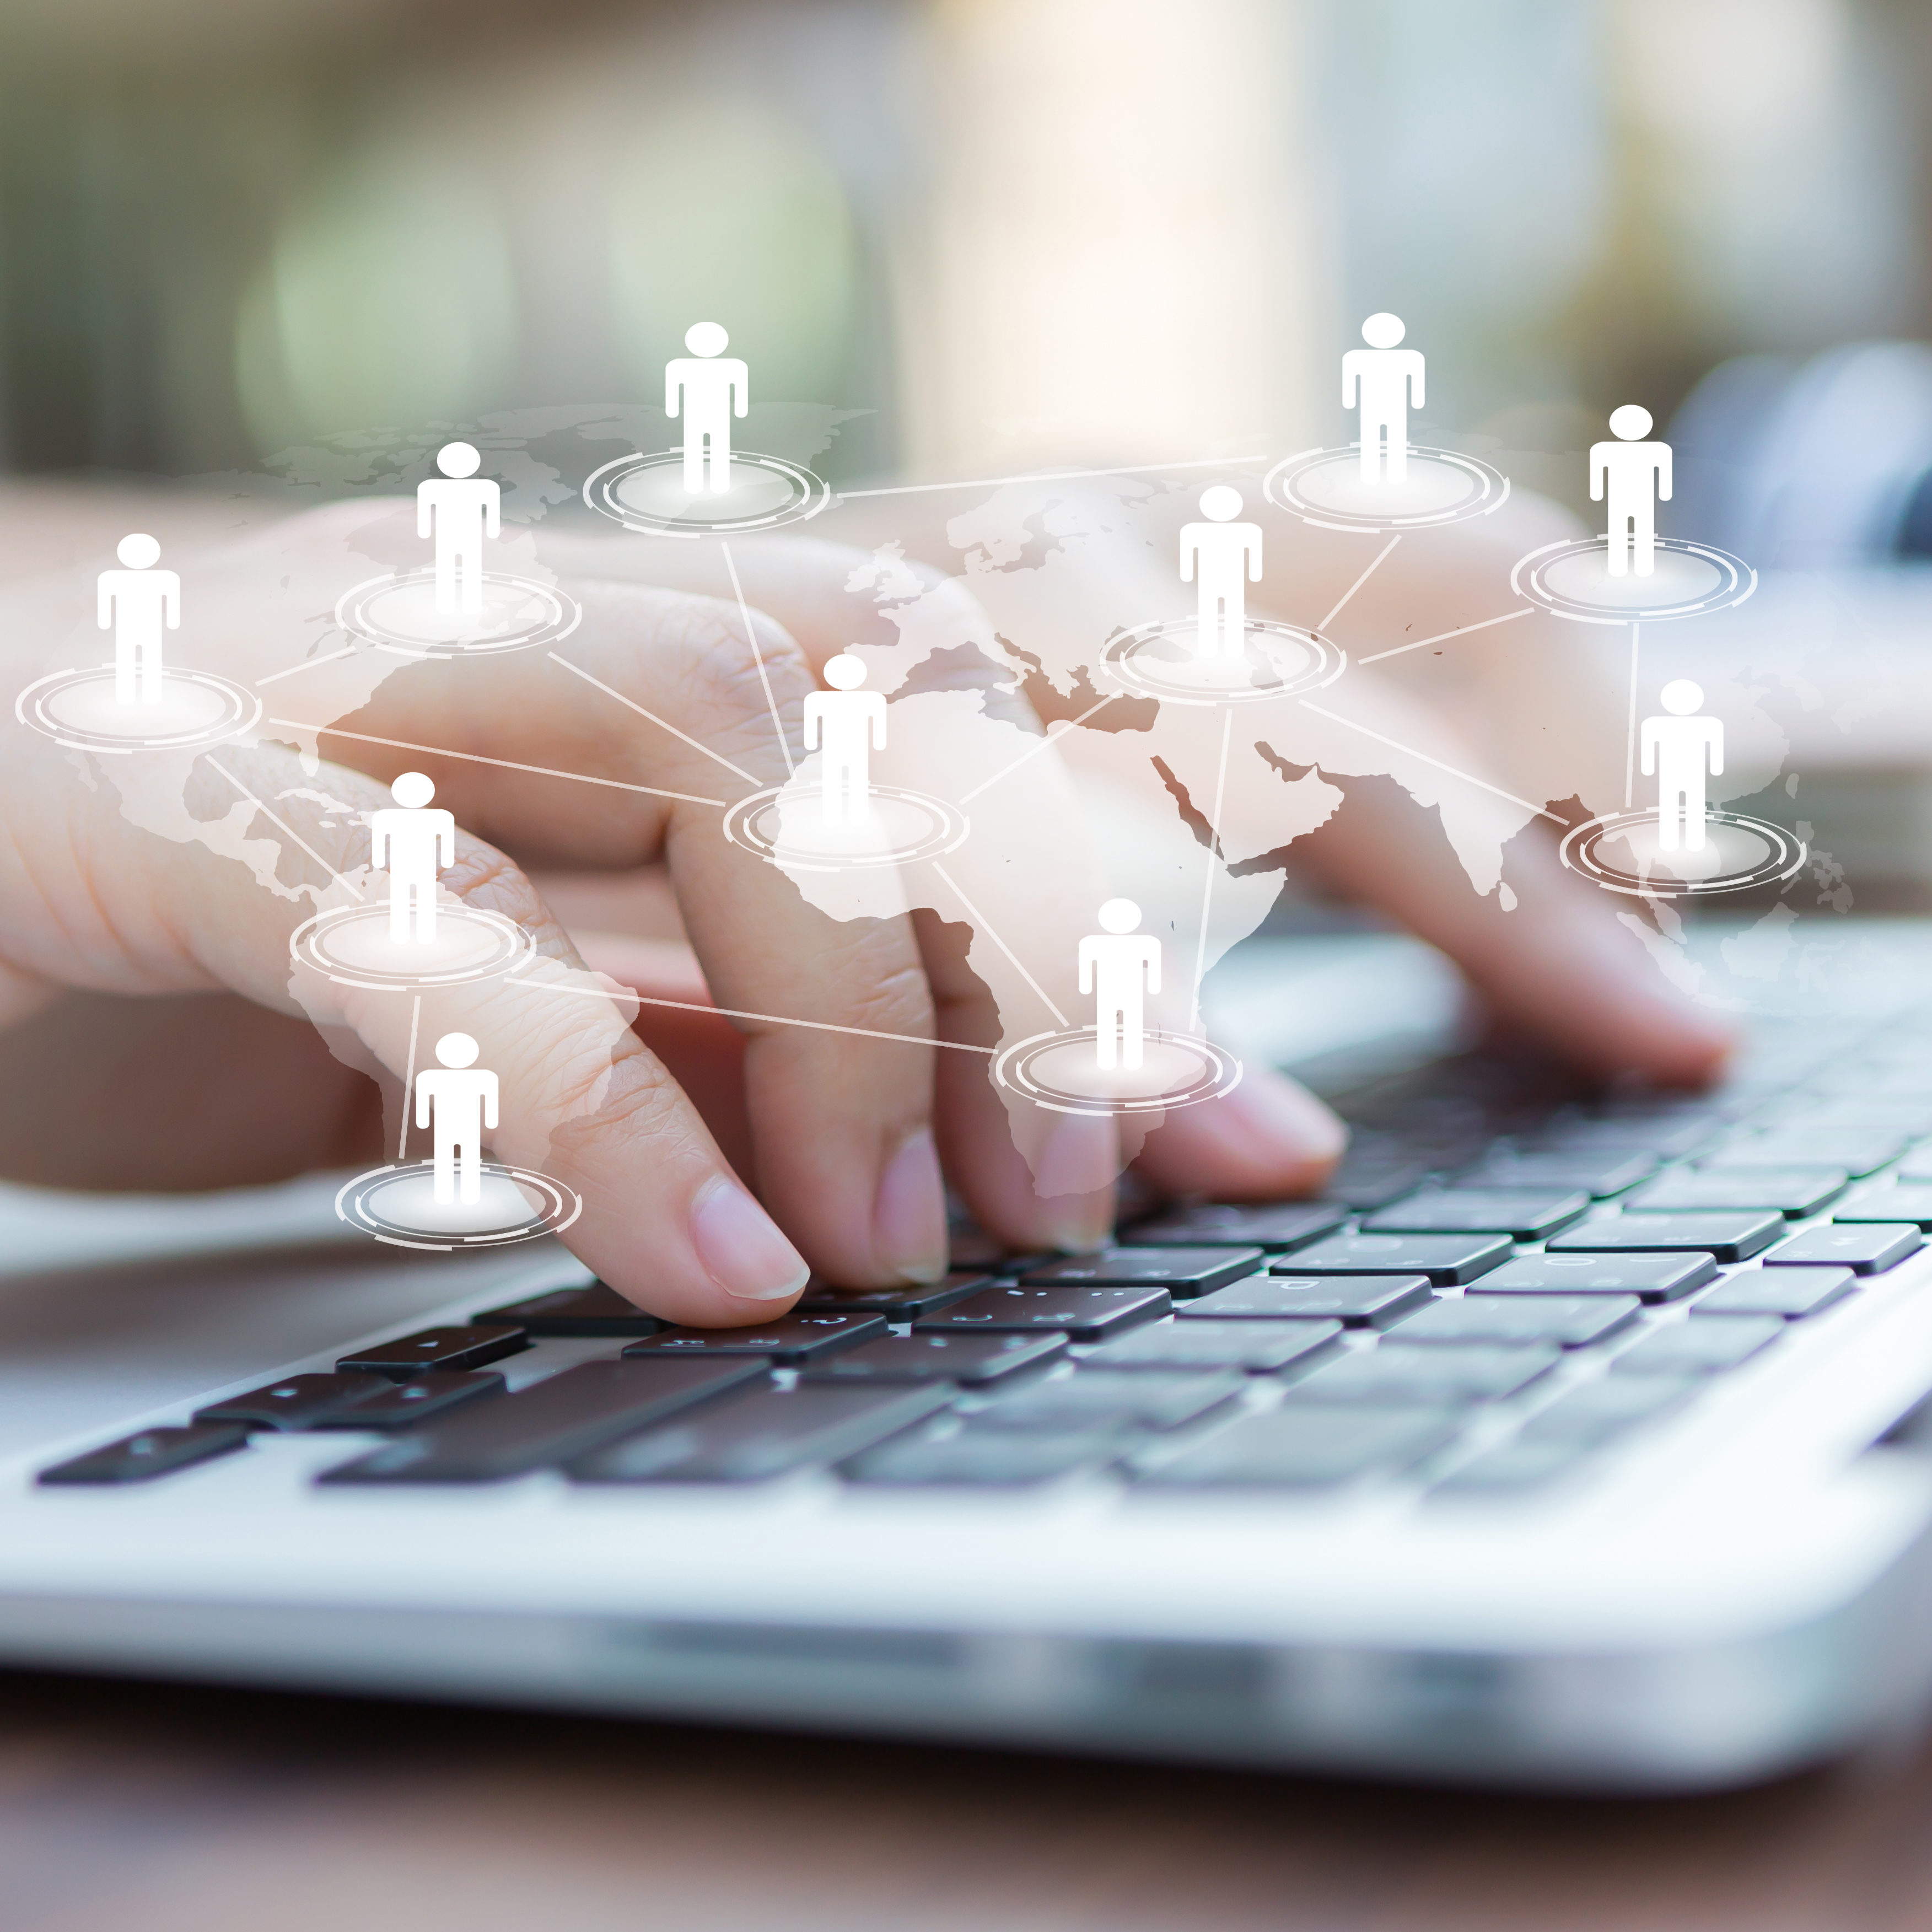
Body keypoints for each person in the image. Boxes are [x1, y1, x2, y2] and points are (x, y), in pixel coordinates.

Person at [369, 772, 456, 943]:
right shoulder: (386, 816)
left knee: (420, 899)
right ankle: (408, 936)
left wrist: (379, 863)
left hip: (422, 868)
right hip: (403, 868)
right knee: (405, 899)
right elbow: (379, 843)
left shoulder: (440, 817)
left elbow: (446, 842)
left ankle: (419, 936)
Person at [414, 1031, 498, 1206]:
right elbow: (423, 1101)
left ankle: (467, 1195)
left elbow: (490, 1100)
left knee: (468, 1159)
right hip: (447, 1127)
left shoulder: (484, 1077)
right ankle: (447, 1195)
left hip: (469, 1127)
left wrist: (491, 1122)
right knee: (448, 1159)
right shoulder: (430, 1077)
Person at [801, 652, 887, 822]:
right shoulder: (819, 700)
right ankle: (838, 816)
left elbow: (878, 726)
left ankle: (853, 817)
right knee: (835, 781)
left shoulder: (872, 699)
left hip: (857, 750)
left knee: (855, 781)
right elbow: (811, 727)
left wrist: (879, 745)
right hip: (835, 750)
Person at [1178, 486, 1262, 660]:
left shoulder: (1193, 530)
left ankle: (1226, 651)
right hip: (1216, 581)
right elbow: (1255, 557)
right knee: (1215, 613)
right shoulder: (1248, 530)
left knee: (1229, 613)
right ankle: (1218, 651)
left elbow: (1254, 554)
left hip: (1228, 581)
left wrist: (1187, 575)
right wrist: (1255, 575)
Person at [417, 442, 501, 615]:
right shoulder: (432, 488)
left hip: (468, 538)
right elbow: (425, 510)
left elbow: (493, 510)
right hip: (449, 538)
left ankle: (465, 607)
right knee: (449, 571)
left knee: (468, 570)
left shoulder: (485, 487)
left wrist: (424, 532)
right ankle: (450, 607)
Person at [1342, 314, 1425, 486]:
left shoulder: (1411, 358)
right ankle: (1374, 477)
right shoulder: (1356, 358)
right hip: (1373, 409)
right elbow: (1350, 382)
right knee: (1372, 440)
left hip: (1394, 409)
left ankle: (1393, 477)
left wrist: (1349, 402)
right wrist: (1417, 402)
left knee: (1395, 441)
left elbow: (1417, 382)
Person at [665, 322, 748, 494]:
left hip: (716, 417)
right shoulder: (678, 366)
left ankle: (714, 485)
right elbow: (672, 389)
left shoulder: (734, 366)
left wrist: (672, 410)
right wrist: (740, 410)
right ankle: (699, 485)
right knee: (696, 448)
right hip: (697, 417)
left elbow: (740, 389)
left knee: (717, 448)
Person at [1641, 680, 1723, 853]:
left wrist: (1716, 768)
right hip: (1670, 775)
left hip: (1694, 775)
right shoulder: (1654, 724)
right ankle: (1671, 844)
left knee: (1694, 807)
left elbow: (1716, 747)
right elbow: (1648, 748)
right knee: (1670, 807)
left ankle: (1693, 843)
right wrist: (1648, 768)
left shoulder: (1710, 724)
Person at [97, 534, 180, 705]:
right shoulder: (111, 578)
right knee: (129, 661)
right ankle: (134, 698)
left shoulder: (166, 578)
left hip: (148, 629)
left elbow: (172, 602)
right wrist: (173, 622)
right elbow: (105, 601)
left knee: (149, 661)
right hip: (130, 628)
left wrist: (104, 622)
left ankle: (146, 698)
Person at [1079, 898, 1161, 1071]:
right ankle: (1114, 1062)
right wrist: (1154, 988)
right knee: (1110, 1026)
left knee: (1130, 1025)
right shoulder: (1092, 943)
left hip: (1128, 993)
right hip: (1111, 993)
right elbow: (1086, 965)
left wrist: (1085, 988)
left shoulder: (1147, 943)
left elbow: (1154, 965)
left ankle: (1126, 1062)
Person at [1591, 406, 1672, 578]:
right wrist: (1597, 492)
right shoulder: (1604, 450)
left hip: (1643, 499)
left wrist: (1664, 494)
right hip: (1618, 499)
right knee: (1618, 531)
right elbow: (1598, 472)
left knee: (1644, 531)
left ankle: (1643, 567)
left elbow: (1664, 472)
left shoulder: (1657, 450)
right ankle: (1619, 567)